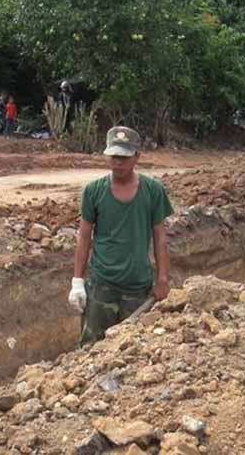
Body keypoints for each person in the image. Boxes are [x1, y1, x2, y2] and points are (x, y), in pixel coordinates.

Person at [68, 126, 173, 347]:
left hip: (138, 286)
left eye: (124, 157)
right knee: (90, 347)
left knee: (130, 349)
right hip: (101, 285)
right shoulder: (93, 191)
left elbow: (160, 237)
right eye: (114, 156)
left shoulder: (153, 191)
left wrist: (162, 280)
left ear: (137, 157)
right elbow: (84, 237)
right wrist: (77, 282)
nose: (118, 162)